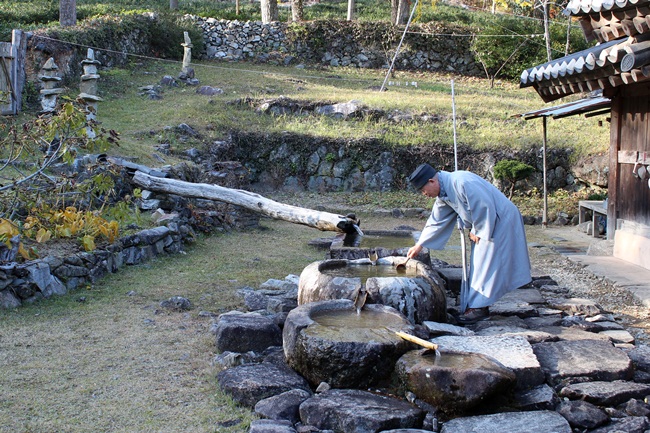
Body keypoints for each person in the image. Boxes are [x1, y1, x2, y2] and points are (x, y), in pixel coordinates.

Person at [406, 163, 532, 324]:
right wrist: (420, 244)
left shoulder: (461, 182)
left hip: (499, 221)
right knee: (479, 263)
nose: (425, 194)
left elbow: (484, 205)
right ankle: (475, 305)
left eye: (424, 190)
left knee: (485, 264)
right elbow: (436, 220)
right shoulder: (444, 193)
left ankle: (478, 308)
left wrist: (478, 230)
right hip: (486, 225)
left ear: (432, 181)